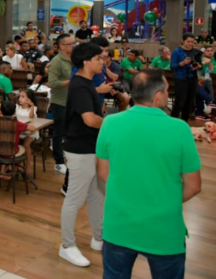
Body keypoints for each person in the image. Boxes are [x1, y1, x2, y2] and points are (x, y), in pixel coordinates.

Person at [96, 69, 201, 279]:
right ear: (158, 96)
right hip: (163, 229)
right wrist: (164, 198)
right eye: (166, 90)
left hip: (119, 225)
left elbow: (103, 172)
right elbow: (193, 186)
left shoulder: (110, 122)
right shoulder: (180, 129)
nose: (167, 93)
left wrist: (130, 192)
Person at [58, 42, 105, 267]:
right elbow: (90, 119)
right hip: (80, 149)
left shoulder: (87, 83)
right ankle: (67, 246)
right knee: (74, 200)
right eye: (98, 59)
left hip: (93, 147)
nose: (102, 62)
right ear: (86, 62)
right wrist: (115, 123)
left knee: (97, 195)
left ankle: (99, 238)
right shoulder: (79, 86)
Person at [48, 33, 74, 175]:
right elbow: (52, 83)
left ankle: (69, 155)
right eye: (70, 44)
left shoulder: (74, 59)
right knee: (59, 132)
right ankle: (58, 162)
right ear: (62, 46)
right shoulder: (56, 61)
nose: (73, 46)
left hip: (73, 100)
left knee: (71, 131)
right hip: (60, 102)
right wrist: (71, 81)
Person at [170, 33, 201, 122]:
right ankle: (172, 122)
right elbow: (172, 66)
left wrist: (198, 66)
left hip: (193, 79)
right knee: (180, 102)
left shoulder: (196, 52)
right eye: (188, 41)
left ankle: (184, 123)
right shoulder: (177, 52)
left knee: (189, 103)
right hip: (180, 79)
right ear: (183, 41)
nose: (190, 44)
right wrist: (182, 63)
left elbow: (200, 66)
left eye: (192, 42)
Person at [195, 46, 214, 121]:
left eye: (211, 51)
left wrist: (210, 63)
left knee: (199, 91)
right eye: (208, 51)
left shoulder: (212, 59)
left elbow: (211, 71)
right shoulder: (200, 59)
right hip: (198, 81)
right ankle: (210, 101)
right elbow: (201, 72)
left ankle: (199, 113)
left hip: (207, 81)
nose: (210, 52)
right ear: (203, 52)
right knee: (200, 86)